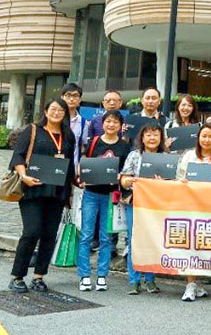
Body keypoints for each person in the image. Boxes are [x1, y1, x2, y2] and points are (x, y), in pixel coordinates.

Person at [8, 98, 76, 293]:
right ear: (46, 112)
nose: (56, 113)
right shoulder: (33, 130)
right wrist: (24, 176)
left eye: (61, 110)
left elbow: (70, 164)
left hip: (57, 192)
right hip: (33, 189)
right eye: (53, 109)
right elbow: (18, 156)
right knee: (31, 232)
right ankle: (17, 276)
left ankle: (39, 277)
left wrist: (72, 188)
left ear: (65, 114)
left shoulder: (68, 135)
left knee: (49, 235)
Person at [77, 111, 130, 292]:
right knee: (86, 235)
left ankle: (101, 275)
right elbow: (83, 163)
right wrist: (82, 176)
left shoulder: (124, 147)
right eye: (108, 121)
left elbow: (126, 171)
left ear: (120, 126)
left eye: (115, 122)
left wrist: (119, 176)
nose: (111, 125)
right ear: (103, 123)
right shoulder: (93, 142)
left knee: (106, 237)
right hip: (91, 194)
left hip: (111, 196)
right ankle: (84, 275)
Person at [177, 122, 211, 302]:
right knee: (190, 245)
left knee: (203, 246)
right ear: (198, 138)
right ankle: (190, 284)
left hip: (210, 208)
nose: (207, 140)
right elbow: (179, 177)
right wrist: (183, 182)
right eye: (204, 136)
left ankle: (197, 283)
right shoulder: (189, 155)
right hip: (190, 206)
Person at [119, 122, 167, 295]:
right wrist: (128, 181)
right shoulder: (134, 155)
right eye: (148, 134)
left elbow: (172, 182)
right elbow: (123, 179)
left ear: (161, 138)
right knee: (134, 240)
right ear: (142, 137)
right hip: (136, 202)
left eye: (156, 134)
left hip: (156, 205)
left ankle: (150, 279)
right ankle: (134, 280)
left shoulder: (165, 157)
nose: (152, 138)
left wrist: (163, 182)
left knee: (152, 240)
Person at [60, 83, 87, 167]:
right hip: (53, 164)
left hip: (73, 167)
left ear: (79, 100)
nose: (71, 99)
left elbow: (83, 146)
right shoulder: (55, 118)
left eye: (75, 96)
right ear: (62, 97)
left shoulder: (83, 122)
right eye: (68, 95)